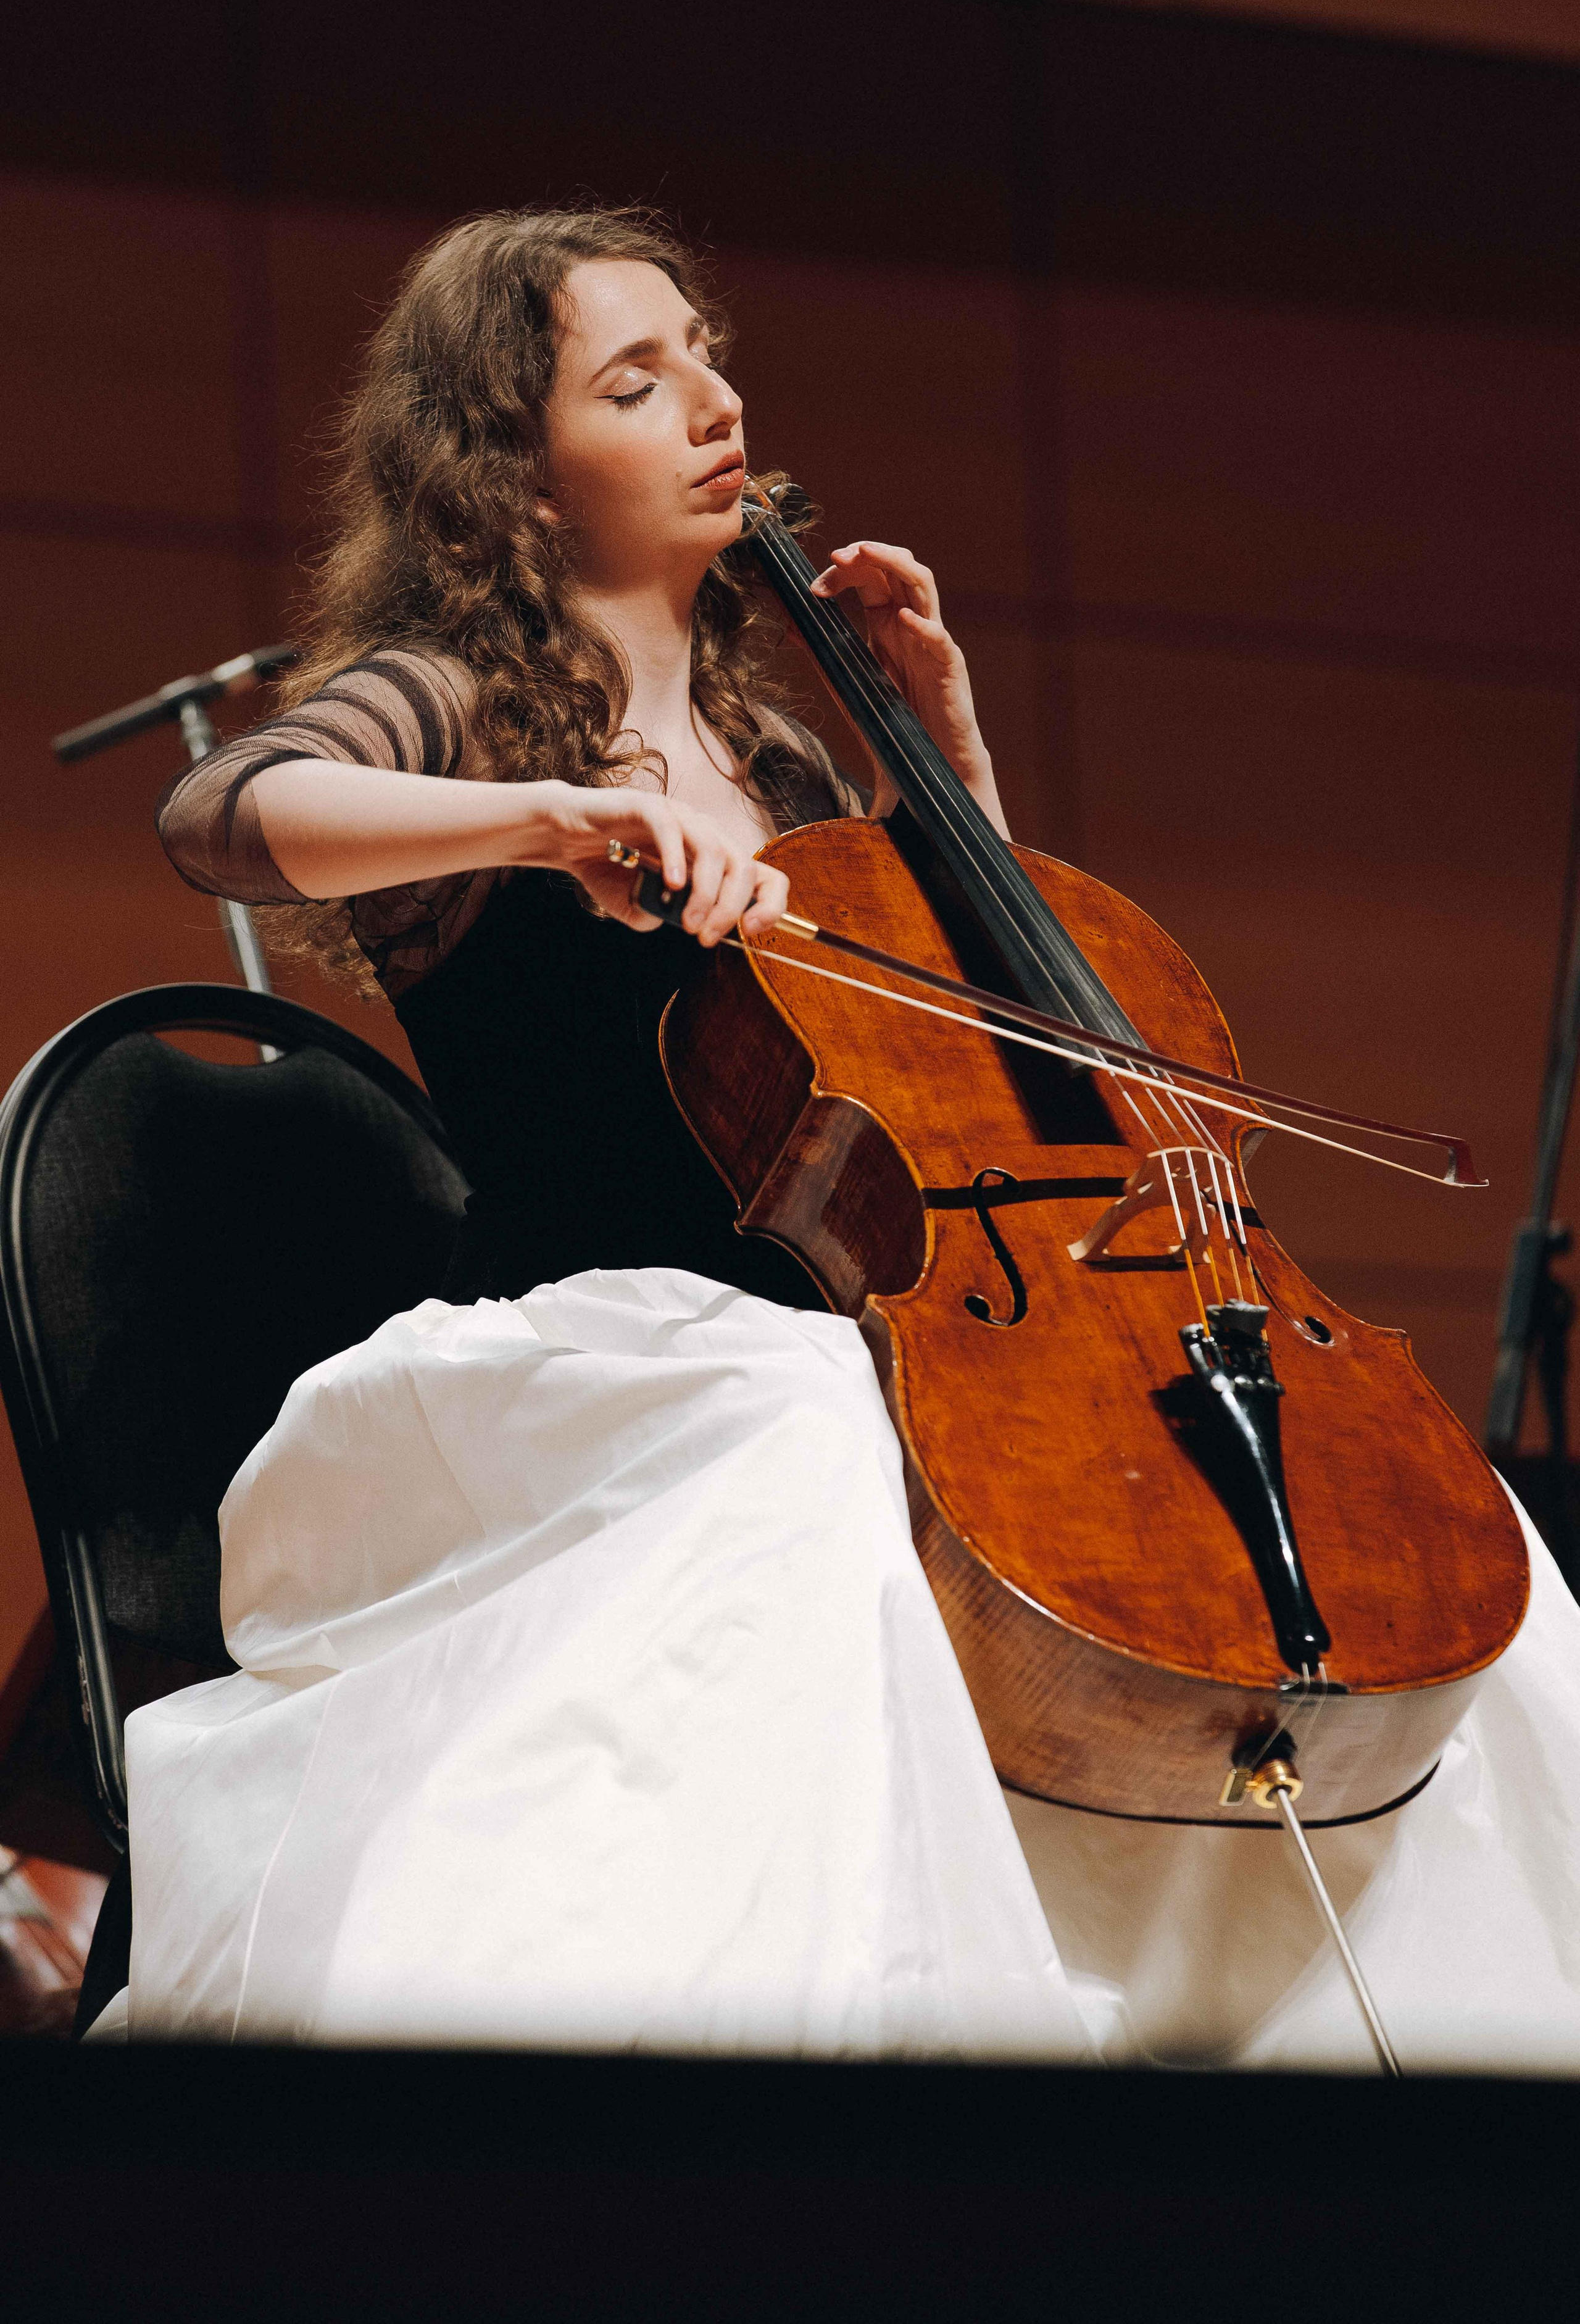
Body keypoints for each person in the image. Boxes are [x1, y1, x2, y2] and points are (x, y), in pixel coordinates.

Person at [122, 204, 1580, 2072]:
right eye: (633, 380)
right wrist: (549, 821)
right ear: (513, 469)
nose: (709, 401)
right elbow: (225, 809)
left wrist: (944, 763)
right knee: (807, 1450)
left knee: (1394, 1523)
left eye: (706, 355)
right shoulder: (466, 706)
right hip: (623, 1349)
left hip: (865, 1336)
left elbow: (1001, 1063)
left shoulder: (789, 764)